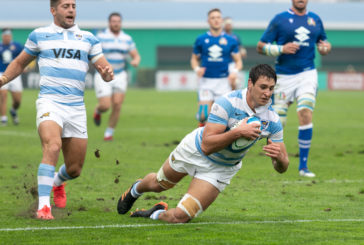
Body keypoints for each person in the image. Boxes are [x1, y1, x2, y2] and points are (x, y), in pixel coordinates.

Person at [116, 64, 289, 223]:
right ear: (250, 83)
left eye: (271, 88)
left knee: (180, 217)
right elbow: (207, 145)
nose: (267, 93)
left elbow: (282, 167)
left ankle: (155, 213)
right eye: (263, 87)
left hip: (221, 168)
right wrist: (237, 132)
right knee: (159, 184)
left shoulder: (272, 120)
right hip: (194, 150)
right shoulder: (227, 103)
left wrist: (280, 158)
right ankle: (135, 190)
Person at [0, 0, 114, 220]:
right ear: (53, 10)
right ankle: (44, 207)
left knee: (74, 169)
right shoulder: (39, 35)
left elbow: (104, 66)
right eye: (65, 6)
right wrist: (4, 78)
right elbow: (21, 62)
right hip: (49, 102)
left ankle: (57, 183)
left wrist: (107, 74)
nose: (71, 9)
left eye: (73, 6)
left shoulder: (88, 38)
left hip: (76, 107)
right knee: (52, 146)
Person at [256, 0, 331, 178]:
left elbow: (324, 42)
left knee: (305, 111)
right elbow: (260, 47)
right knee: (278, 122)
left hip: (307, 74)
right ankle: (278, 160)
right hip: (283, 77)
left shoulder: (315, 20)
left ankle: (303, 166)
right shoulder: (280, 19)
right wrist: (281, 48)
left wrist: (325, 48)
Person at [93, 12, 141, 141]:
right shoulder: (101, 37)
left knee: (117, 104)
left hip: (120, 75)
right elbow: (93, 55)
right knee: (105, 106)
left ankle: (109, 133)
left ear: (121, 23)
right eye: (113, 21)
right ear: (109, 23)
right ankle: (98, 110)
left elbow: (135, 55)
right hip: (104, 75)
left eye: (118, 21)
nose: (116, 24)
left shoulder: (127, 38)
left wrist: (136, 60)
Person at [191, 8, 242, 127]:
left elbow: (238, 61)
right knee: (203, 115)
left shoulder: (231, 40)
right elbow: (194, 59)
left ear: (222, 20)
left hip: (223, 83)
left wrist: (234, 71)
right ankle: (203, 140)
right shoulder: (201, 39)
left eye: (218, 17)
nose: (216, 20)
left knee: (224, 117)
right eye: (213, 18)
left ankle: (222, 141)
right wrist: (197, 69)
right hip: (206, 82)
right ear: (208, 21)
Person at [0, 28, 23, 126]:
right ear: (2, 36)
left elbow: (24, 57)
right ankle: (3, 119)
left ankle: (13, 110)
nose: (7, 37)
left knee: (17, 101)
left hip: (15, 74)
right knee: (3, 95)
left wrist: (24, 66)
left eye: (9, 35)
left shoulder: (17, 46)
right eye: (5, 35)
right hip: (1, 73)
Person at [223, 17, 247, 90]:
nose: (228, 26)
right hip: (223, 63)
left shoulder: (235, 37)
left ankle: (232, 97)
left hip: (233, 63)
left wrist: (243, 52)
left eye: (230, 24)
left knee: (234, 82)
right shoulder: (221, 36)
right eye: (227, 24)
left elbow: (240, 47)